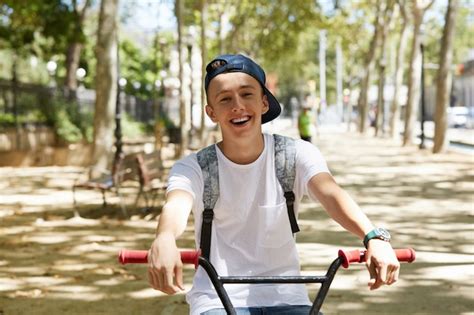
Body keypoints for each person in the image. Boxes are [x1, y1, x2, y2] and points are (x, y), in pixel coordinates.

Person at [147, 54, 400, 315]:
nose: (237, 106)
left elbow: (331, 194)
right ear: (211, 112)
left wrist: (372, 236)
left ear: (264, 102)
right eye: (225, 99)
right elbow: (176, 204)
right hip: (217, 300)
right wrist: (164, 238)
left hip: (288, 297)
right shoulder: (193, 167)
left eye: (247, 94)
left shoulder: (295, 154)